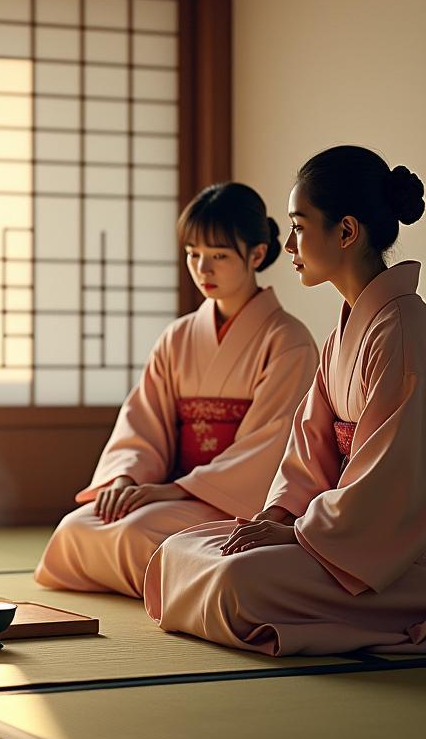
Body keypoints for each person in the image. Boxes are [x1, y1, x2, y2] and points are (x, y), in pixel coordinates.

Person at [145, 147, 426, 655]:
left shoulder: (403, 330)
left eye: (299, 226)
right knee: (179, 552)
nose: (290, 243)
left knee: (236, 581)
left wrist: (301, 535)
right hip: (336, 533)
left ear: (345, 232)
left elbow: (387, 484)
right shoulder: (344, 330)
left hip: (390, 554)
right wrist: (278, 518)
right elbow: (310, 451)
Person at [36, 183, 318, 596]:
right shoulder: (179, 337)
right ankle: (174, 584)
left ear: (256, 255)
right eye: (194, 255)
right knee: (75, 529)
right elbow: (143, 422)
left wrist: (171, 491)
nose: (203, 270)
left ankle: (181, 584)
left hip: (231, 497)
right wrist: (125, 479)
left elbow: (269, 446)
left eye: (219, 256)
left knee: (136, 534)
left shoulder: (287, 339)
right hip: (175, 489)